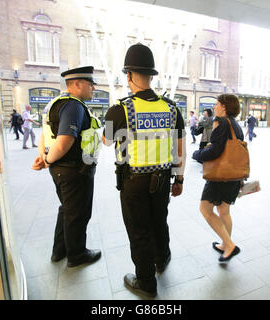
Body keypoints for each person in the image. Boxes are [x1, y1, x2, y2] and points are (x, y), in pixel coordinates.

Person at [102, 43, 186, 298]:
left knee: (139, 230)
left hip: (133, 181)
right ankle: (162, 258)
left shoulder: (120, 110)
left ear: (128, 75)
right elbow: (180, 148)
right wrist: (179, 179)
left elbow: (106, 141)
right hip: (162, 179)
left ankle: (146, 282)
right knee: (159, 220)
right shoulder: (171, 108)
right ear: (151, 76)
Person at [31, 66, 102, 268]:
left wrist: (44, 158)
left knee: (67, 209)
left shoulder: (55, 103)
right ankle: (77, 255)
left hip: (61, 169)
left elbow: (45, 135)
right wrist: (48, 160)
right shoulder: (73, 106)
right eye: (90, 84)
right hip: (74, 170)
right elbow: (63, 142)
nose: (94, 87)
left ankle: (59, 250)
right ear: (77, 84)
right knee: (77, 213)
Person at [192, 94, 244, 263]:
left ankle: (229, 245)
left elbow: (215, 150)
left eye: (217, 104)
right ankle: (225, 244)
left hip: (220, 176)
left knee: (205, 209)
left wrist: (197, 154)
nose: (214, 107)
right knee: (224, 211)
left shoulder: (220, 122)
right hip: (234, 176)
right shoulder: (236, 125)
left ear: (224, 106)